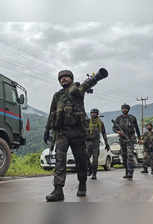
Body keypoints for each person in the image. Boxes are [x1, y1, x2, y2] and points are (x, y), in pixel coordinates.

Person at [44, 68, 108, 202]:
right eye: (61, 77)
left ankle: (82, 184)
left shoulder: (77, 90)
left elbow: (88, 83)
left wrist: (98, 76)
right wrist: (46, 130)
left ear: (71, 79)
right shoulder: (57, 96)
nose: (63, 79)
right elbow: (52, 113)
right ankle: (58, 190)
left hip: (77, 132)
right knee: (60, 161)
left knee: (81, 161)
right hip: (62, 132)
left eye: (67, 76)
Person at [112, 104, 141, 180]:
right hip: (122, 140)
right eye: (123, 108)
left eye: (125, 108)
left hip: (131, 139)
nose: (124, 110)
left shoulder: (132, 118)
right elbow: (114, 128)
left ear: (128, 109)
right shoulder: (118, 118)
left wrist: (139, 138)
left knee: (130, 156)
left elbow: (137, 129)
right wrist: (118, 132)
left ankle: (130, 173)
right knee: (124, 157)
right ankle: (126, 171)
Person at [86, 108, 110, 180]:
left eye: (94, 113)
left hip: (96, 143)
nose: (93, 114)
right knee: (86, 157)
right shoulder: (87, 121)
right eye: (92, 113)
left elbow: (104, 133)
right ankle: (90, 168)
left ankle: (94, 174)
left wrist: (106, 143)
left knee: (95, 159)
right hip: (87, 142)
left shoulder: (100, 123)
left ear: (97, 114)